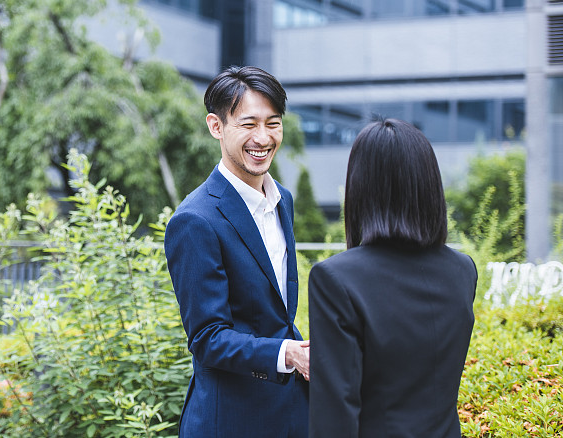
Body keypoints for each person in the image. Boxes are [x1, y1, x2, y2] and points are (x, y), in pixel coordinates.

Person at [308, 118, 478, 438]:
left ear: (360, 188)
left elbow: (334, 414)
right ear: (429, 184)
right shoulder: (463, 270)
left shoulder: (334, 279)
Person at [164, 65, 310, 438]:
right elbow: (207, 338)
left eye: (272, 123)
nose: (263, 138)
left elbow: (273, 313)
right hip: (230, 420)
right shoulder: (195, 220)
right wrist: (288, 354)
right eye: (248, 124)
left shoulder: (283, 200)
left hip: (290, 413)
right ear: (216, 127)